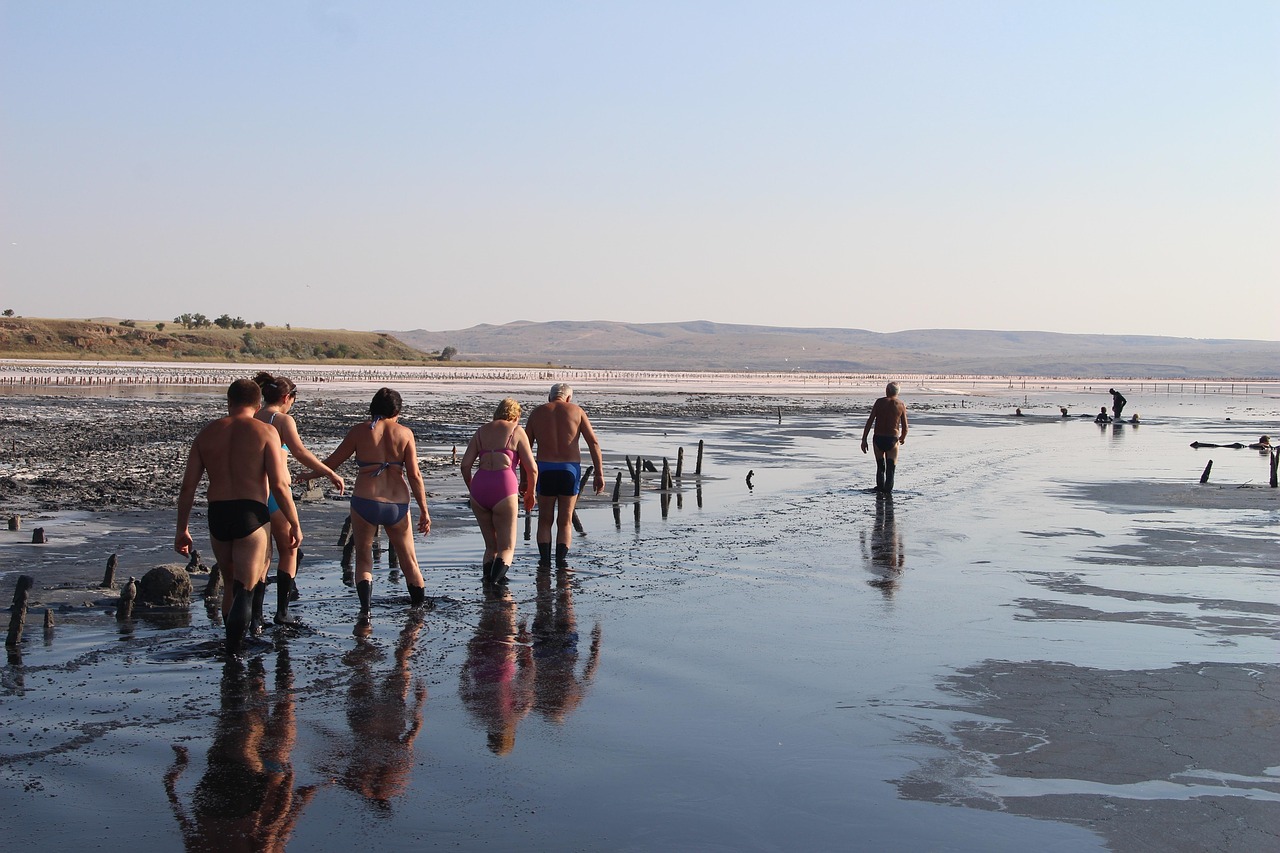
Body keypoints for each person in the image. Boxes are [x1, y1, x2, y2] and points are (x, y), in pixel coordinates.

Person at [175, 378, 301, 654]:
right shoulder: (266, 432)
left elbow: (188, 487)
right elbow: (279, 486)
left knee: (230, 583)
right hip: (250, 514)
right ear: (258, 405)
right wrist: (293, 522)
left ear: (229, 402)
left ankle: (228, 646)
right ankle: (235, 653)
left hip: (218, 513)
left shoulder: (207, 434)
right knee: (247, 584)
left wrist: (181, 529)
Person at [315, 388, 430, 619]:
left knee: (364, 557)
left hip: (365, 501)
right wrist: (424, 511)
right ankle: (418, 613)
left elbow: (333, 462)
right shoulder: (405, 433)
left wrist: (307, 475)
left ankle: (365, 612)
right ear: (397, 410)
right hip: (397, 503)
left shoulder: (360, 431)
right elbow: (415, 475)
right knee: (409, 562)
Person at [252, 372, 345, 626]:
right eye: (293, 398)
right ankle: (282, 612)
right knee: (289, 549)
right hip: (277, 495)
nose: (292, 403)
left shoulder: (253, 416)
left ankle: (256, 616)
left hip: (254, 492)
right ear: (286, 397)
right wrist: (329, 473)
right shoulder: (282, 420)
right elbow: (300, 452)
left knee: (263, 556)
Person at [525, 383, 604, 568]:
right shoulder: (577, 411)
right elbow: (593, 442)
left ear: (549, 397)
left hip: (544, 470)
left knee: (544, 520)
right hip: (569, 470)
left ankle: (544, 564)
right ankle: (561, 566)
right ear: (568, 398)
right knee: (565, 521)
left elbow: (525, 448)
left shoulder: (537, 413)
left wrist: (524, 479)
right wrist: (599, 473)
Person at [460, 398, 537, 585]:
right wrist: (530, 493)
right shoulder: (517, 431)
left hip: (479, 488)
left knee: (490, 547)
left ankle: (487, 586)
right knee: (507, 547)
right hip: (504, 488)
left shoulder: (481, 432)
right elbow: (532, 469)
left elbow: (465, 466)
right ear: (516, 416)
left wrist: (473, 489)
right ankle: (494, 587)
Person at [860, 381, 908, 494]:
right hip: (892, 439)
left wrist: (864, 439)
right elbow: (905, 427)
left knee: (880, 467)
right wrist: (902, 438)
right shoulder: (901, 405)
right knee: (891, 469)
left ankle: (879, 491)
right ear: (898, 392)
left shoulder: (879, 402)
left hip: (878, 439)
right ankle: (888, 494)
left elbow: (870, 421)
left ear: (887, 391)